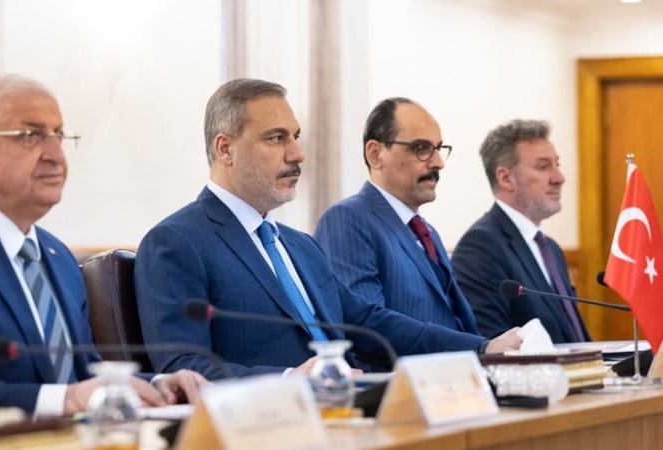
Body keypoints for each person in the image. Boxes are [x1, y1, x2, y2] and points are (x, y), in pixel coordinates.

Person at [0, 73, 207, 417]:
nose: (56, 155)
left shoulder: (57, 257)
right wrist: (68, 400)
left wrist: (159, 385)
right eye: (30, 136)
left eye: (59, 135)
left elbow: (82, 378)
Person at [134, 78, 521, 380]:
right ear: (225, 149)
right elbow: (183, 368)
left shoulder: (301, 247)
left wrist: (482, 348)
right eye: (276, 138)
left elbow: (370, 322)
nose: (297, 154)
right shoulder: (177, 242)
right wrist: (290, 380)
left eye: (295, 137)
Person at [314, 97, 481, 339]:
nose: (438, 163)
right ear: (375, 154)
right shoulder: (347, 219)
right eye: (421, 149)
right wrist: (477, 346)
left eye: (439, 149)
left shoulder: (427, 232)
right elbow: (367, 328)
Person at [451, 119, 590, 343]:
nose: (559, 178)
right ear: (506, 179)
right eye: (543, 166)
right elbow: (493, 345)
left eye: (557, 164)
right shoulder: (479, 248)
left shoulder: (551, 248)